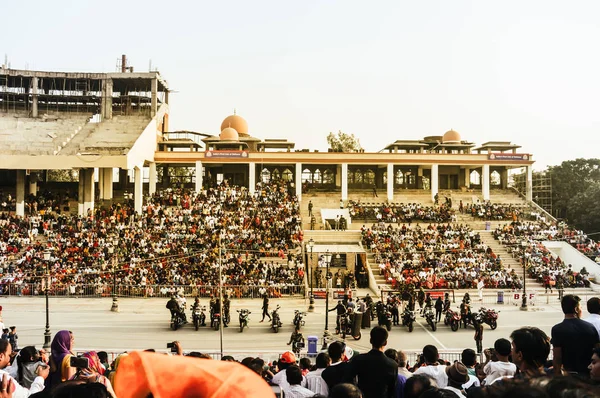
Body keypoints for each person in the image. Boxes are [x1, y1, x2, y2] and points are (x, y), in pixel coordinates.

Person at [552, 294, 599, 376]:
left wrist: (557, 375)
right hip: (587, 373)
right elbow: (597, 349)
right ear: (576, 309)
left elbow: (557, 357)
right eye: (580, 308)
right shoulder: (590, 327)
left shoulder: (557, 329)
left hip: (569, 374)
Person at [344, 326, 398, 398]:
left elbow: (348, 379)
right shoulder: (392, 365)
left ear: (370, 340)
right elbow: (392, 390)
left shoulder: (359, 360)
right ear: (385, 343)